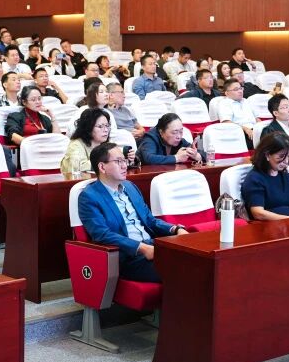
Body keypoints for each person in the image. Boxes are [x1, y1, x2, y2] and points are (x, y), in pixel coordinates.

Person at [77, 142, 188, 283]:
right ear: (102, 167)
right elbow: (102, 235)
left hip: (152, 245)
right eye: (118, 161)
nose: (124, 166)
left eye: (124, 160)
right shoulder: (89, 197)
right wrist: (142, 248)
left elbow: (149, 220)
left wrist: (175, 229)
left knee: (196, 258)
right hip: (128, 257)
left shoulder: (130, 187)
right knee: (181, 267)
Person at [61, 108, 121, 176]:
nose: (106, 130)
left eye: (107, 126)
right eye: (100, 126)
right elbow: (77, 168)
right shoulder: (75, 145)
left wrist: (126, 159)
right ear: (88, 127)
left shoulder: (105, 144)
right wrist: (106, 162)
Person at [137, 113, 205, 165]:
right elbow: (149, 158)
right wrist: (177, 158)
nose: (179, 136)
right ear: (161, 132)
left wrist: (196, 155)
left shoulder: (180, 141)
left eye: (181, 132)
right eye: (174, 132)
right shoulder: (150, 138)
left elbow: (204, 154)